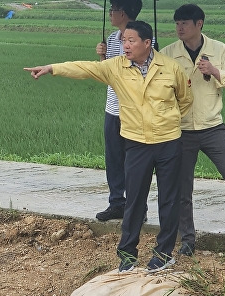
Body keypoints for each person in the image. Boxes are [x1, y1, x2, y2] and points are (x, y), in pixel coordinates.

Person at [24, 21, 193, 272]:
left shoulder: (171, 68)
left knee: (169, 200)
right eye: (124, 40)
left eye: (131, 40)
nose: (125, 45)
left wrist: (165, 122)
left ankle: (164, 253)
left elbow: (185, 101)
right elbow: (85, 67)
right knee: (134, 200)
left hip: (168, 142)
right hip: (136, 143)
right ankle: (127, 254)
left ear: (148, 43)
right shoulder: (116, 67)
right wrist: (51, 68)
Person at [161, 4, 225, 257]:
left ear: (200, 24)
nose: (180, 28)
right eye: (176, 23)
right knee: (183, 188)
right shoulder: (167, 53)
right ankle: (187, 239)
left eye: (184, 23)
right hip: (182, 130)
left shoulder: (219, 49)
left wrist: (214, 71)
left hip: (212, 128)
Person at [94, 0, 143, 222]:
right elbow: (108, 73)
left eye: (113, 10)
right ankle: (117, 203)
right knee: (114, 159)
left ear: (122, 13)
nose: (111, 13)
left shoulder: (141, 38)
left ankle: (137, 208)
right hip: (112, 108)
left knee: (134, 161)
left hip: (133, 110)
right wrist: (103, 57)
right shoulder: (113, 39)